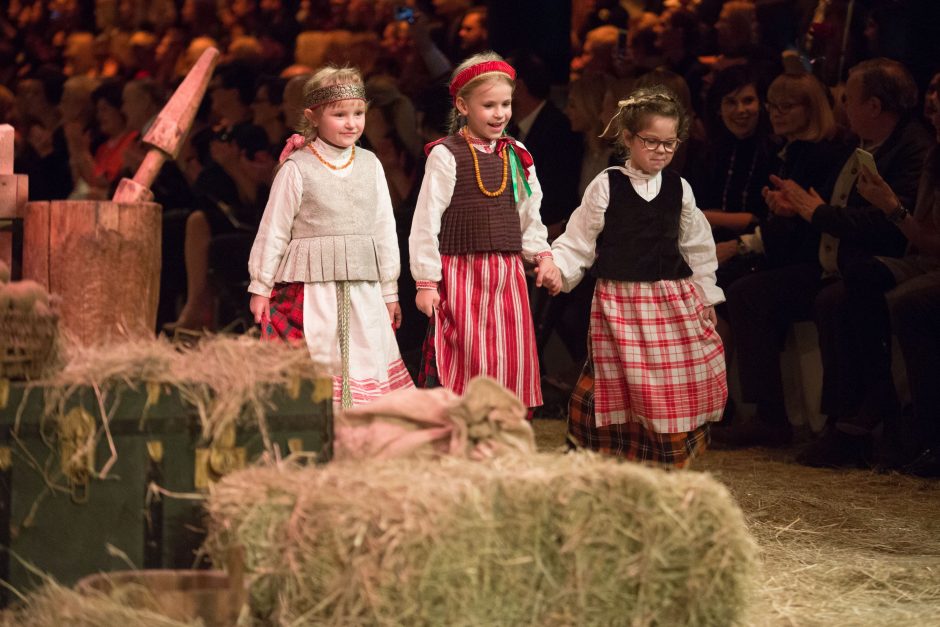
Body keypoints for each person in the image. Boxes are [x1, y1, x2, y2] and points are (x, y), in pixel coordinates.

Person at [550, 86, 727, 467]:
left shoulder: (679, 188)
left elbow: (698, 246)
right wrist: (558, 270)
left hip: (670, 304)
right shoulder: (607, 185)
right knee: (619, 382)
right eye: (651, 142)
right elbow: (579, 240)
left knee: (666, 386)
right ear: (628, 138)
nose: (661, 151)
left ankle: (664, 463)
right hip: (622, 305)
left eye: (670, 143)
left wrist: (707, 295)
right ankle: (608, 460)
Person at [248, 66, 413, 408]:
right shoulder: (298, 167)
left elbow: (383, 227)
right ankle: (325, 420)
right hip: (314, 288)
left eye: (358, 113)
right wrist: (261, 286)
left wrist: (389, 289)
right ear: (313, 116)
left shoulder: (370, 164)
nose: (351, 123)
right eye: (340, 115)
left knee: (367, 348)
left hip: (363, 288)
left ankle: (368, 424)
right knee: (322, 351)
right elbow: (274, 230)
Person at [409, 52, 560, 411]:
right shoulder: (446, 155)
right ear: (463, 105)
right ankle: (458, 432)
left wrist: (543, 257)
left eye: (506, 104)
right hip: (462, 275)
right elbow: (425, 222)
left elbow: (528, 215)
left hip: (506, 275)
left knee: (508, 354)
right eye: (488, 104)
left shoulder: (517, 154)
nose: (499, 113)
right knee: (466, 354)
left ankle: (502, 434)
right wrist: (426, 281)